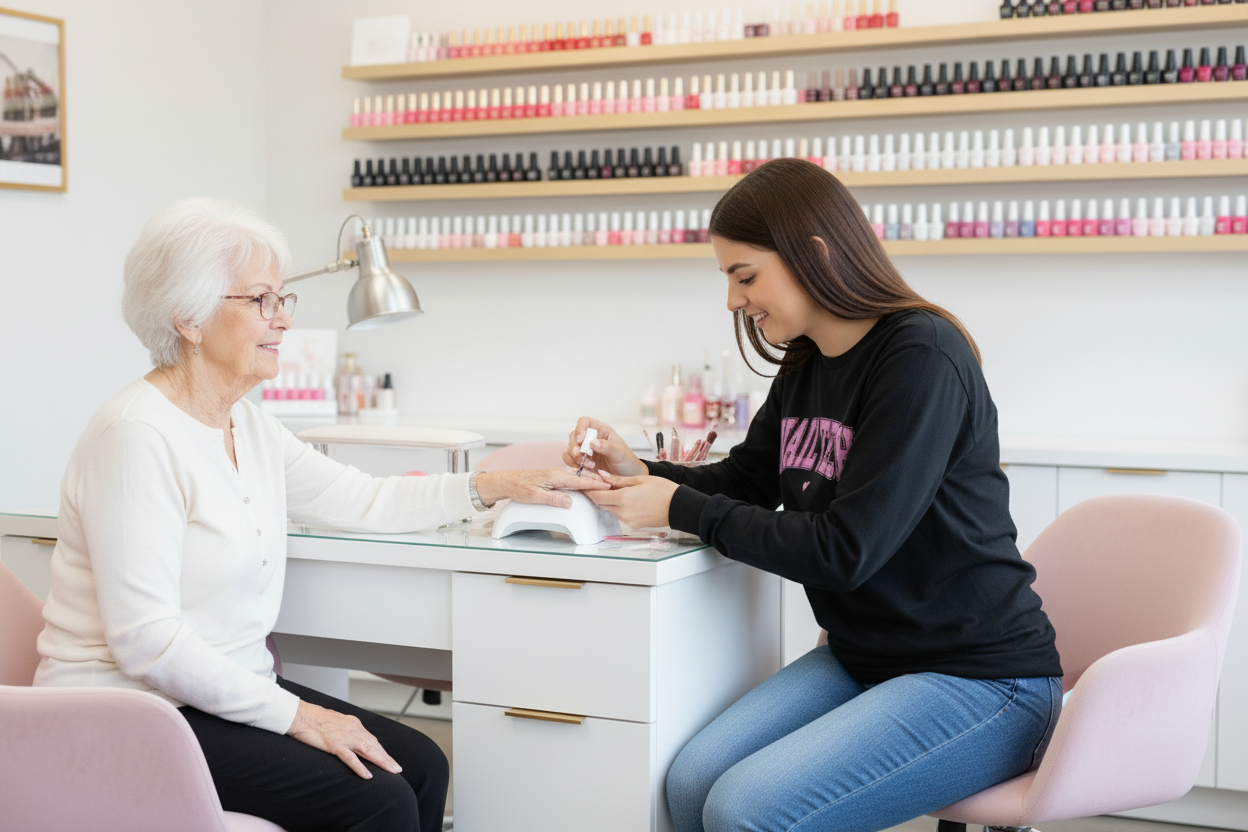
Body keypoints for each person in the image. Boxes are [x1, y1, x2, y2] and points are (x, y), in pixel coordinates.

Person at [34, 197, 608, 832]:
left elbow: (362, 498)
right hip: (129, 713)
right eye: (260, 301)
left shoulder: (246, 423)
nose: (281, 320)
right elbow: (147, 641)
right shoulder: (135, 436)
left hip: (217, 695)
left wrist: (496, 485)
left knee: (419, 766)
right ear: (189, 319)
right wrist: (297, 716)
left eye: (284, 300)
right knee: (377, 798)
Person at [564, 159, 1064, 832]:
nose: (734, 302)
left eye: (746, 276)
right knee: (687, 785)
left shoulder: (921, 357)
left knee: (747, 810)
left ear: (815, 255)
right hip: (866, 658)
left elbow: (844, 551)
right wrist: (641, 472)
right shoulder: (807, 363)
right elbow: (741, 483)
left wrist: (677, 507)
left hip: (983, 681)